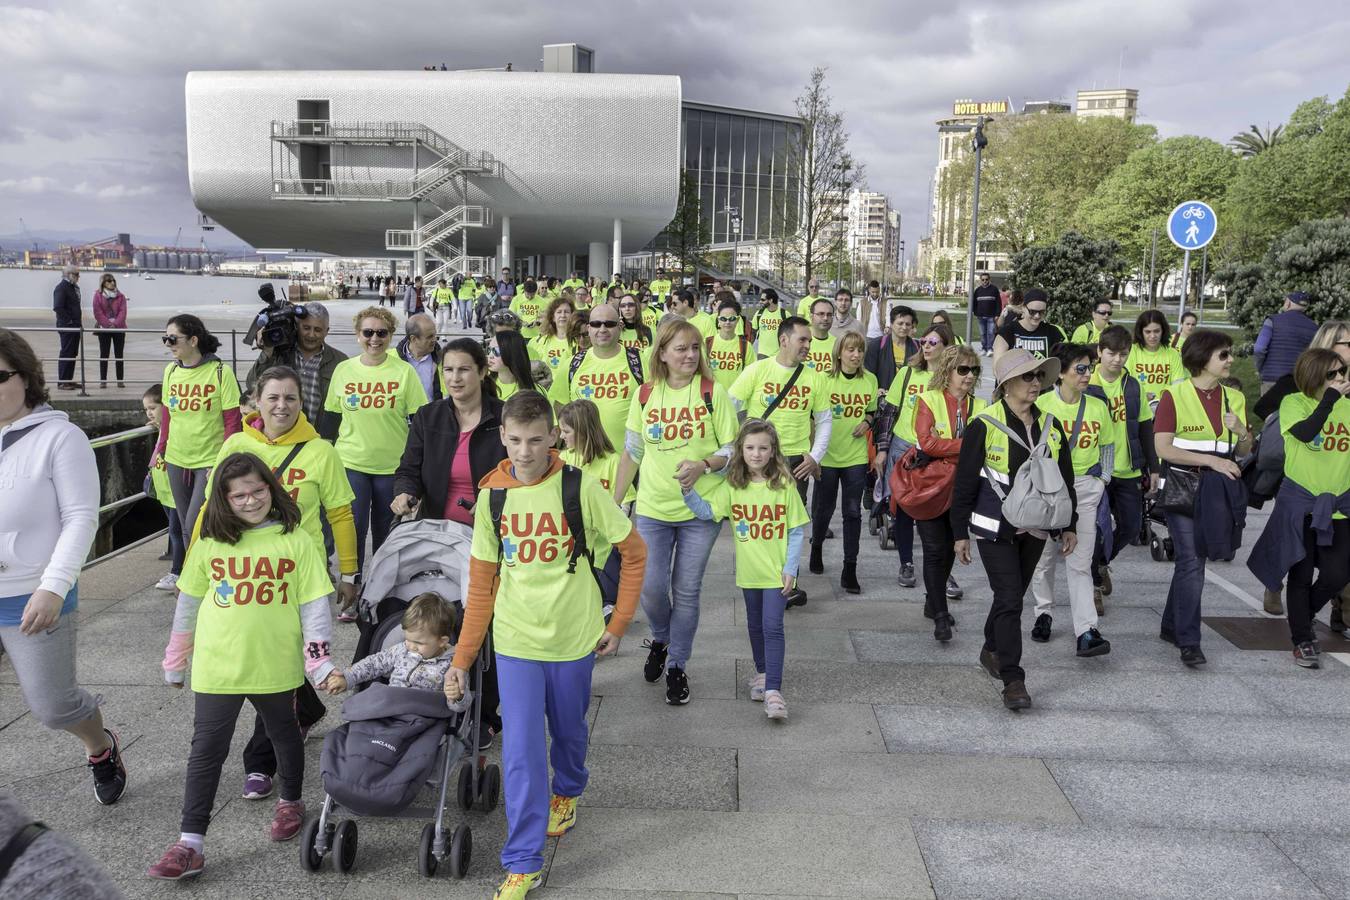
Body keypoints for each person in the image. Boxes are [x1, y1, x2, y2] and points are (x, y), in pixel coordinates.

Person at [444, 390, 647, 900]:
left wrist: (619, 623)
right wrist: (462, 659)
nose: (525, 451)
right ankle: (523, 861)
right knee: (522, 753)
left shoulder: (581, 488)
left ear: (554, 436)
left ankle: (570, 788)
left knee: (569, 732)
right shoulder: (492, 496)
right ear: (503, 437)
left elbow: (634, 552)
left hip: (574, 637)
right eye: (515, 440)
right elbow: (481, 584)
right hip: (515, 641)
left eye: (536, 440)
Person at [149, 453, 335, 880]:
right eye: (239, 496)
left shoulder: (297, 540)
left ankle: (290, 800)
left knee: (284, 735)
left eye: (257, 490)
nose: (251, 501)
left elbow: (314, 609)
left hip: (275, 662)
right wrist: (175, 661)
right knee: (206, 752)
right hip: (217, 666)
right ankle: (189, 843)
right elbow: (189, 604)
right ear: (224, 500)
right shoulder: (210, 543)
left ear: (272, 488)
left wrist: (319, 662)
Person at [201, 366, 359, 793]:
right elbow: (210, 505)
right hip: (243, 571)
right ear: (255, 400)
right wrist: (202, 560)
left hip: (297, 574)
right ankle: (303, 709)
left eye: (290, 398)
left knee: (278, 664)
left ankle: (260, 761)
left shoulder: (320, 451)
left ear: (301, 402)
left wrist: (349, 571)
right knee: (275, 661)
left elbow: (340, 513)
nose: (281, 406)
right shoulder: (236, 444)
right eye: (272, 397)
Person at [0, 328, 127, 805]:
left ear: (26, 377)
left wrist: (54, 587)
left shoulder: (59, 436)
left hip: (32, 594)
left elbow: (79, 518)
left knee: (53, 706)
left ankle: (100, 745)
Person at [612, 320, 738, 704]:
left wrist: (704, 466)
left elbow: (732, 453)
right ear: (662, 353)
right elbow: (633, 452)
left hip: (701, 511)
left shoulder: (713, 392)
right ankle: (662, 638)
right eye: (681, 348)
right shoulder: (646, 394)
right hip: (652, 508)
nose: (689, 355)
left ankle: (678, 665)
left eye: (695, 348)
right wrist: (614, 504)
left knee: (686, 590)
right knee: (650, 588)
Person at [951, 348, 1078, 710]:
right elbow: (964, 484)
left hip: (1036, 528)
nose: (1036, 382)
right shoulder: (985, 424)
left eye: (1039, 376)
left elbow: (1064, 478)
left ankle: (991, 648)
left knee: (1010, 598)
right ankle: (1013, 679)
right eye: (1028, 376)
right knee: (1009, 598)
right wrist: (959, 532)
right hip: (996, 528)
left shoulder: (1052, 426)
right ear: (1007, 385)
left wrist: (1069, 525)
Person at [683, 420, 807, 720]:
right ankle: (763, 673)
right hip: (749, 574)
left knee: (773, 626)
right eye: (750, 448)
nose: (756, 454)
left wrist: (791, 568)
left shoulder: (785, 485)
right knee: (754, 625)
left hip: (777, 574)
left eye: (763, 448)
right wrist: (687, 491)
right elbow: (708, 512)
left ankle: (774, 692)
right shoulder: (733, 485)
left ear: (773, 450)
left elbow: (797, 530)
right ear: (741, 450)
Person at [1153, 329, 1252, 668]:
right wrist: (1211, 461)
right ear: (1202, 359)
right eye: (1223, 355)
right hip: (1183, 488)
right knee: (1193, 562)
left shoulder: (1234, 398)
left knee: (1192, 561)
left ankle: (1171, 625)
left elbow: (1245, 450)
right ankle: (1189, 640)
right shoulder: (1174, 395)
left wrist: (1242, 432)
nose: (1230, 360)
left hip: (1218, 492)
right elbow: (1163, 448)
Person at [1248, 348, 1350, 667]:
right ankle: (1303, 639)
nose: (1340, 379)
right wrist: (1330, 399)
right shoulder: (1293, 403)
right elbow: (1306, 433)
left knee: (1338, 574)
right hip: (1300, 503)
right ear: (1314, 374)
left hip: (1339, 504)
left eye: (1343, 371)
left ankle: (1303, 618)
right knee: (1301, 573)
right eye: (1332, 373)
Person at [324, 306, 428, 579]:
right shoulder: (343, 370)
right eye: (368, 332)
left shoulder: (404, 372)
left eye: (381, 333)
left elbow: (420, 421)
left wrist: (418, 468)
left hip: (391, 466)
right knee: (354, 527)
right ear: (358, 335)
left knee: (385, 531)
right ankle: (352, 583)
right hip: (351, 463)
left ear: (391, 336)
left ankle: (379, 590)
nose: (374, 338)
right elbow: (331, 422)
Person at [1029, 343, 1114, 656]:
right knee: (1045, 558)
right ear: (1061, 374)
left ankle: (1087, 630)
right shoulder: (1041, 405)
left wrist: (1101, 480)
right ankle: (1043, 614)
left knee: (1080, 561)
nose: (1087, 374)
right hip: (1048, 489)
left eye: (1089, 368)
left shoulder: (1097, 407)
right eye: (1080, 368)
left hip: (1085, 490)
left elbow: (1107, 446)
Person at [911, 345, 986, 641]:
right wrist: (966, 446)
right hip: (930, 487)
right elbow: (927, 443)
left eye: (974, 370)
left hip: (963, 490)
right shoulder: (928, 400)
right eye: (963, 369)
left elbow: (984, 446)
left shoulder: (980, 406)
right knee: (933, 550)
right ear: (948, 371)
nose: (969, 376)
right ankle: (941, 616)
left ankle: (934, 600)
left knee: (951, 548)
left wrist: (955, 447)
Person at [152, 314, 243, 554]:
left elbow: (233, 423)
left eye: (173, 339)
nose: (168, 344)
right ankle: (192, 578)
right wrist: (160, 449)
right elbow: (168, 417)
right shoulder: (170, 372)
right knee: (184, 524)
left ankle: (201, 574)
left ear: (193, 340)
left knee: (197, 523)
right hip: (176, 458)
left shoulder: (221, 372)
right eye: (165, 339)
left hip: (210, 461)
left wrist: (225, 460)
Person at [729, 316, 833, 524]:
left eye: (809, 342)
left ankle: (786, 558)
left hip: (797, 461)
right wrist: (735, 448)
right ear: (784, 340)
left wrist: (815, 457)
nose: (807, 346)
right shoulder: (757, 370)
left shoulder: (815, 378)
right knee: (757, 518)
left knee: (789, 523)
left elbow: (824, 421)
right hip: (759, 458)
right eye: (802, 340)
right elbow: (730, 407)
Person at [875, 324, 953, 589]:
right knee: (904, 509)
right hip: (904, 448)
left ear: (946, 347)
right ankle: (906, 562)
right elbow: (888, 412)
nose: (927, 346)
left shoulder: (951, 380)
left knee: (936, 513)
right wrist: (882, 449)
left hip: (936, 452)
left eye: (934, 342)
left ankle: (942, 568)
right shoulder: (908, 373)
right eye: (925, 341)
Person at [1086, 324, 1157, 612]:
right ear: (1099, 353)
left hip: (1127, 470)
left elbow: (1145, 427)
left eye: (1123, 354)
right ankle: (1092, 587)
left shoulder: (1133, 385)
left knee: (1130, 527)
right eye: (1111, 353)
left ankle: (1102, 564)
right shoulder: (1086, 382)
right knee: (1097, 530)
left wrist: (1154, 468)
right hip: (1096, 472)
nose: (1117, 359)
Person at [809, 331, 876, 594]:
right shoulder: (824, 380)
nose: (856, 355)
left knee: (852, 512)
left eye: (859, 350)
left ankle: (850, 567)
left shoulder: (869, 380)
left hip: (855, 457)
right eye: (850, 350)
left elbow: (871, 410)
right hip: (827, 456)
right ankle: (816, 548)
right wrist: (813, 453)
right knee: (823, 510)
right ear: (839, 352)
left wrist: (867, 422)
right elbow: (812, 417)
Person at [324, 592, 467, 705]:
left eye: (418, 643)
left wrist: (458, 696)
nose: (411, 646)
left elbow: (462, 703)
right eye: (408, 639)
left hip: (423, 713)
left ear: (442, 641)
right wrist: (348, 678)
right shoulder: (402, 650)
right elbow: (374, 664)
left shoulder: (454, 665)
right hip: (392, 706)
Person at [245, 296, 346, 441]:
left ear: (327, 331)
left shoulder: (340, 361)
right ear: (297, 326)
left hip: (320, 440)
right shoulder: (278, 354)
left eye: (317, 330)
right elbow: (252, 385)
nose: (311, 334)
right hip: (282, 439)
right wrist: (267, 352)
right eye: (306, 328)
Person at [548, 303, 645, 454]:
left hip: (629, 465)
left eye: (609, 324)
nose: (602, 329)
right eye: (596, 324)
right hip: (584, 464)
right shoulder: (572, 364)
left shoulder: (640, 361)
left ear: (620, 327)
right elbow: (559, 407)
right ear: (589, 328)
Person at [143, 385, 185, 590]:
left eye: (153, 407)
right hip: (164, 489)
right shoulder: (162, 428)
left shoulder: (174, 428)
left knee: (177, 531)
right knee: (174, 530)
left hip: (174, 487)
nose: (149, 413)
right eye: (146, 410)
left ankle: (177, 572)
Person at [559, 399, 634, 508]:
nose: (561, 436)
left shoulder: (613, 461)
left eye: (566, 431)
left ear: (583, 431)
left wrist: (613, 523)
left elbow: (626, 502)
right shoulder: (562, 459)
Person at [1255, 291, 1319, 392]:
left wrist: (1260, 368)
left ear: (1288, 303)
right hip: (1298, 381)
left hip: (1272, 379)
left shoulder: (1272, 321)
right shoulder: (1314, 327)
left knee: (1269, 408)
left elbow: (1259, 349)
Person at [1127, 310, 1186, 403]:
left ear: (1163, 331)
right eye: (1147, 332)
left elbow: (1178, 385)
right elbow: (1124, 382)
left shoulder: (1172, 354)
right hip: (1137, 406)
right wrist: (1140, 395)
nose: (1152, 336)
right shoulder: (1131, 351)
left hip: (1164, 407)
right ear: (1140, 332)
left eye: (1157, 331)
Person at [992, 288, 1063, 362]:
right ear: (1023, 308)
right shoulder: (1006, 332)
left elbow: (1062, 365)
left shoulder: (1052, 332)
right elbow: (997, 368)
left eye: (1041, 312)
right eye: (1032, 311)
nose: (1037, 316)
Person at [865, 305, 919, 395]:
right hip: (882, 399)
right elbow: (868, 374)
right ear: (891, 323)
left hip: (907, 400)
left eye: (908, 324)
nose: (904, 327)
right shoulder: (876, 345)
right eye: (900, 323)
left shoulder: (917, 348)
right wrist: (874, 390)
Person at [707, 296, 753, 391]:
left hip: (736, 399)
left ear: (737, 320)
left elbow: (752, 376)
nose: (727, 322)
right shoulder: (707, 343)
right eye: (723, 319)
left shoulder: (746, 346)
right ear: (718, 320)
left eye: (732, 318)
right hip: (712, 397)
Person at [92, 273, 127, 388]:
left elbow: (123, 312)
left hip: (119, 328)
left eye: (113, 281)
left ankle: (120, 381)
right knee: (104, 355)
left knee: (119, 355)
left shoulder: (121, 296)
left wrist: (115, 324)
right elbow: (97, 312)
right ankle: (103, 381)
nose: (112, 283)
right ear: (103, 283)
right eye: (108, 281)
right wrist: (107, 324)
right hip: (104, 329)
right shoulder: (98, 295)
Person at [397, 312, 442, 401]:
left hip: (433, 413)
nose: (434, 339)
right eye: (430, 337)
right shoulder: (392, 358)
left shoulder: (443, 359)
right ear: (413, 339)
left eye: (435, 335)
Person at [52, 265, 82, 390]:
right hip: (67, 326)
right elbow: (58, 307)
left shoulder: (72, 287)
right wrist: (70, 321)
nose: (78, 277)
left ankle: (68, 380)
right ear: (69, 274)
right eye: (76, 274)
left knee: (72, 353)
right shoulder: (61, 288)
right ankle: (62, 381)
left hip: (74, 326)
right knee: (66, 352)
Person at [489, 330, 539, 403]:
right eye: (489, 350)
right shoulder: (483, 385)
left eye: (496, 351)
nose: (490, 356)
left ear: (512, 352)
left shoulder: (535, 392)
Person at [530, 295, 575, 374]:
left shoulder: (578, 341)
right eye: (559, 312)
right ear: (553, 317)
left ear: (572, 316)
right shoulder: (539, 341)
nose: (563, 315)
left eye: (567, 312)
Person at [805, 298, 837, 374]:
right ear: (811, 316)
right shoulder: (800, 341)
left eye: (829, 315)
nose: (825, 318)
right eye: (821, 314)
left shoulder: (838, 344)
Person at [972, 273, 1002, 356]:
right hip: (980, 316)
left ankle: (990, 349)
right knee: (982, 333)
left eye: (986, 279)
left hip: (991, 316)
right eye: (983, 280)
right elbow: (974, 303)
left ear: (989, 280)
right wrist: (975, 312)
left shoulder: (994, 289)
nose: (984, 281)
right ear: (980, 280)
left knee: (990, 333)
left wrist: (997, 314)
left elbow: (998, 302)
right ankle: (984, 348)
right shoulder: (977, 291)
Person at [752, 288, 785, 357]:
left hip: (779, 354)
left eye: (763, 300)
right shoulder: (759, 314)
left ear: (770, 300)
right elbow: (753, 332)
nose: (760, 302)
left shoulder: (784, 314)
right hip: (762, 354)